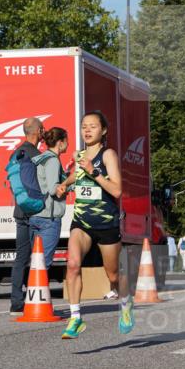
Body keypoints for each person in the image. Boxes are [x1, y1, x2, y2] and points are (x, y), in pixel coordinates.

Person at [54, 111, 132, 339]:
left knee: (114, 276)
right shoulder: (79, 155)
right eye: (83, 126)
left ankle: (126, 304)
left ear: (103, 130)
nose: (87, 130)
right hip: (82, 222)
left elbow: (117, 190)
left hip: (106, 223)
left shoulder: (108, 155)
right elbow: (75, 176)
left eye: (92, 126)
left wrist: (94, 172)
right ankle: (75, 317)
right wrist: (64, 185)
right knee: (72, 265)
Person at [9, 117, 45, 313]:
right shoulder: (35, 155)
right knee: (38, 257)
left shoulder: (16, 153)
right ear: (38, 131)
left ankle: (16, 302)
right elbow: (38, 184)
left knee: (21, 256)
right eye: (42, 129)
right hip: (35, 212)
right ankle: (34, 298)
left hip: (20, 211)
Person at [31, 127, 68, 266]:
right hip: (48, 218)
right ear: (60, 142)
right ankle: (37, 288)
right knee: (42, 263)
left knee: (36, 262)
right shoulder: (52, 160)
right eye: (66, 141)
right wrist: (69, 184)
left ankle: (32, 288)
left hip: (36, 215)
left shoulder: (41, 158)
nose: (68, 144)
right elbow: (53, 189)